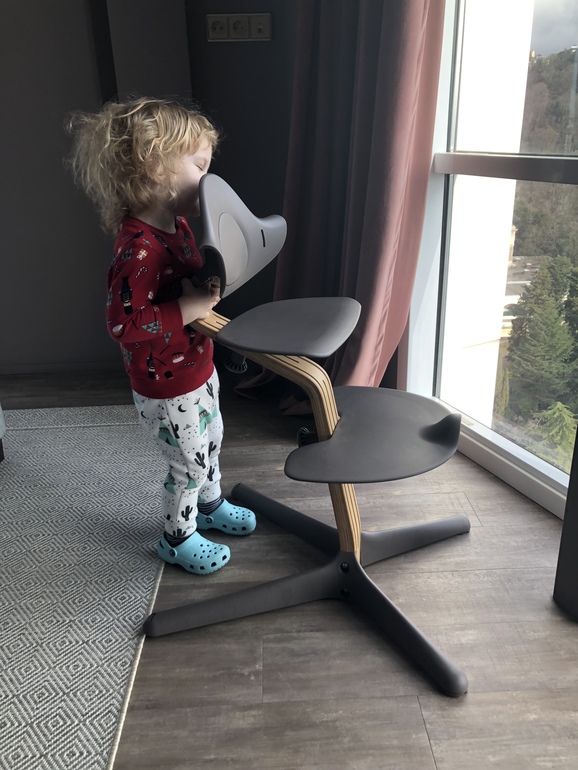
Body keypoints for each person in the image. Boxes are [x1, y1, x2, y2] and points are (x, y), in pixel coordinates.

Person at [67, 96, 256, 574]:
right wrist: (190, 306)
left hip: (196, 364)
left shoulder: (179, 226)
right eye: (200, 166)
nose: (209, 180)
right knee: (187, 463)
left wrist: (204, 285)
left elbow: (182, 279)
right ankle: (177, 536)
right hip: (166, 384)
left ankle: (208, 506)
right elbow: (124, 324)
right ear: (156, 168)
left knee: (212, 439)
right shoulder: (139, 250)